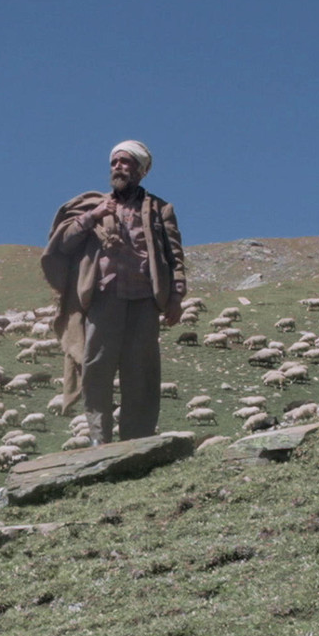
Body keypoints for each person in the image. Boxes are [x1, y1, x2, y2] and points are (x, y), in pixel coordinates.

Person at [41, 140, 186, 444]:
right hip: (104, 299)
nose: (118, 166)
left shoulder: (160, 209)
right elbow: (61, 244)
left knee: (141, 373)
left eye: (126, 162)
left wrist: (176, 296)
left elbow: (175, 256)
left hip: (144, 301)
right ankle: (99, 440)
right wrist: (92, 217)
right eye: (114, 162)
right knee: (97, 369)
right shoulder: (93, 205)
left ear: (141, 170)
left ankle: (137, 441)